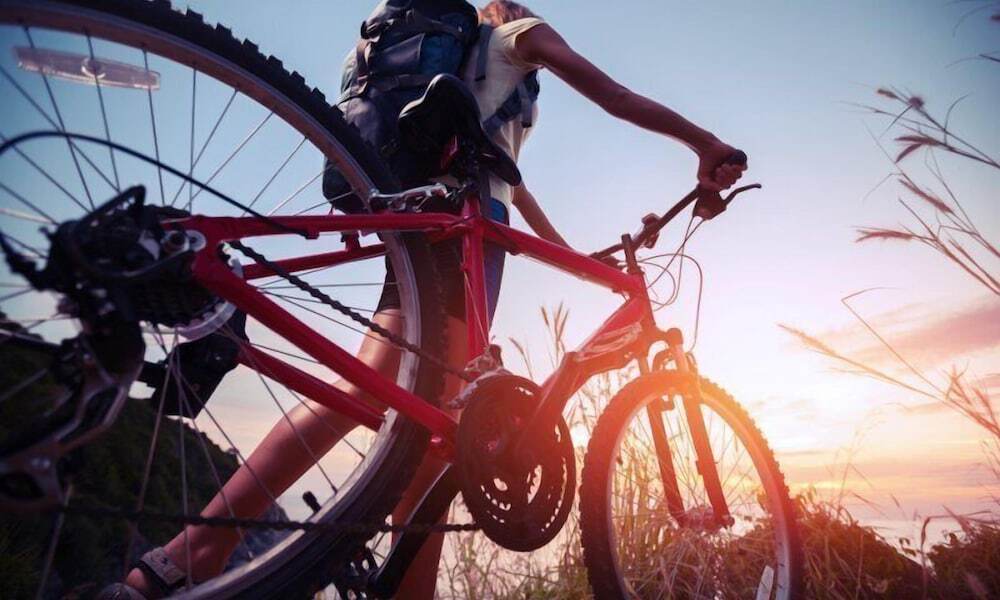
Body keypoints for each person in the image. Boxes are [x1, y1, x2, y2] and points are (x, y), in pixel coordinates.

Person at [104, 2, 745, 598]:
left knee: (382, 401)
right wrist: (705, 145)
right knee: (436, 429)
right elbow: (614, 96)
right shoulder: (518, 36)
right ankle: (203, 551)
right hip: (465, 229)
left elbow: (510, 182)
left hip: (420, 220)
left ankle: (192, 552)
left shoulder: (459, 58)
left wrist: (575, 255)